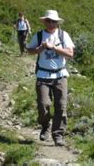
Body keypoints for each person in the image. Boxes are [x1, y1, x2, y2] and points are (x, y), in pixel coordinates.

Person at [26, 10, 75, 147]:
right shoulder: (39, 35)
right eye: (49, 21)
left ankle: (58, 135)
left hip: (60, 75)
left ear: (57, 23)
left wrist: (54, 48)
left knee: (61, 106)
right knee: (43, 105)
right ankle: (45, 126)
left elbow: (70, 54)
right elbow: (29, 50)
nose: (51, 24)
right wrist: (40, 49)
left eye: (54, 21)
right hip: (43, 75)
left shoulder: (63, 35)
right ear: (45, 21)